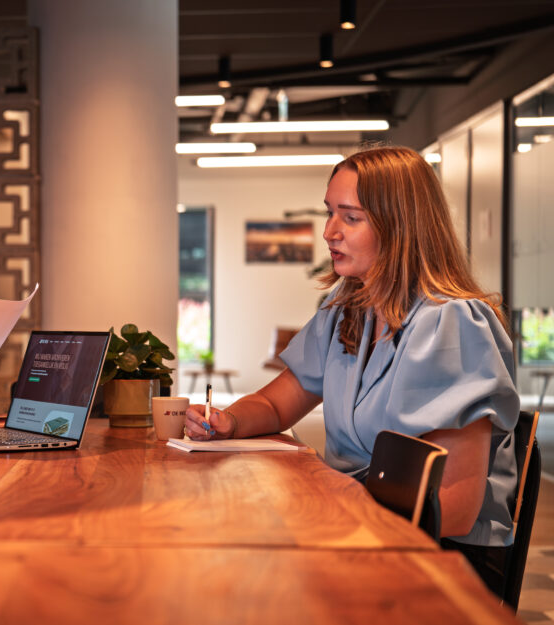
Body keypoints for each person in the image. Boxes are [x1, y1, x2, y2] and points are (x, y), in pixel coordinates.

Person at [184, 146, 519, 594]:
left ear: (400, 226)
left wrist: (328, 507)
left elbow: (453, 509)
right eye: (330, 213)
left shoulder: (454, 323)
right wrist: (229, 421)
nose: (329, 232)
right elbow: (275, 404)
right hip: (361, 527)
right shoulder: (346, 310)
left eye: (351, 217)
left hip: (439, 555)